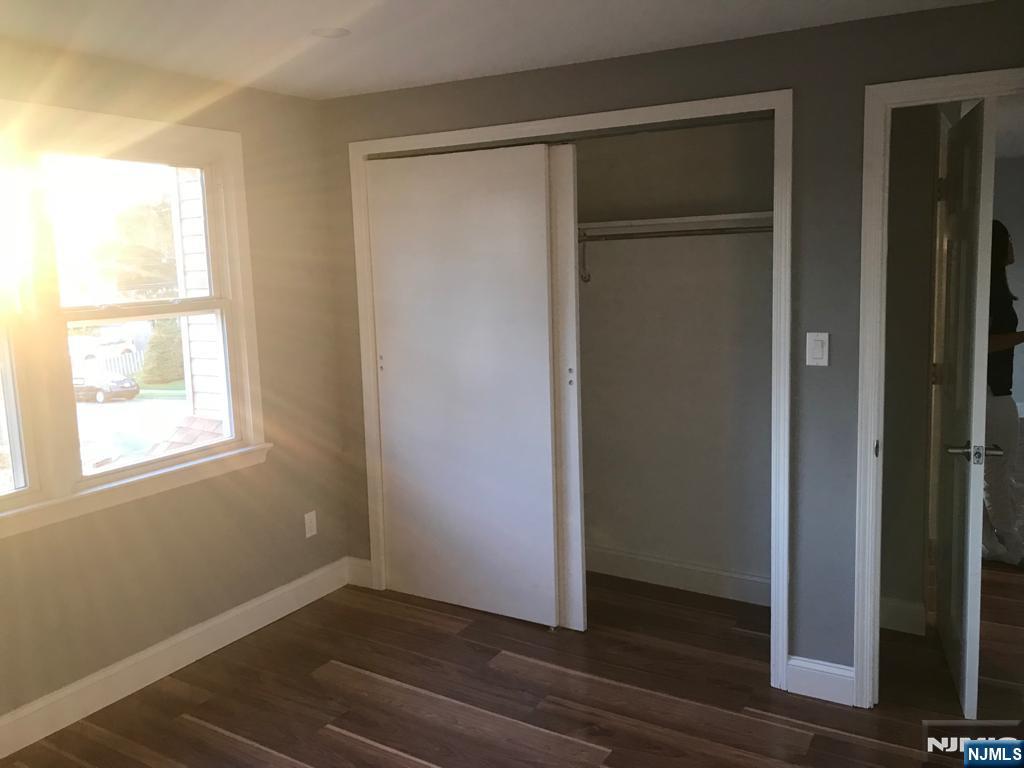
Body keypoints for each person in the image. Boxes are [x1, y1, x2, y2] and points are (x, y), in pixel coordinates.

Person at [984, 220, 1024, 565]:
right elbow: (983, 344)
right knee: (997, 469)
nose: (1013, 245)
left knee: (994, 467)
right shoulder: (988, 290)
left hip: (996, 388)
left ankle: (993, 544)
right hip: (989, 391)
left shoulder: (995, 287)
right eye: (1008, 240)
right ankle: (1010, 545)